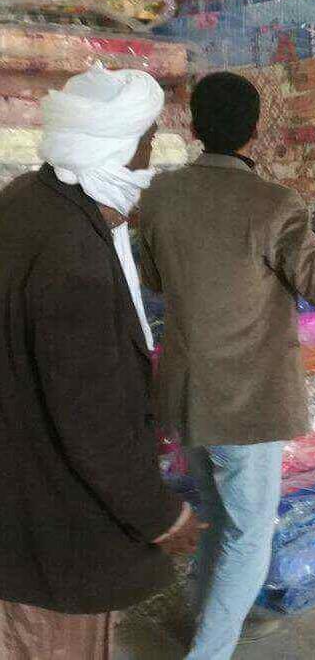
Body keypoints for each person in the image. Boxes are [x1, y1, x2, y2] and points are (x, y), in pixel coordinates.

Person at [137, 72, 315, 659]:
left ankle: (211, 616)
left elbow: (154, 280)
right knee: (248, 536)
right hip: (246, 402)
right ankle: (208, 650)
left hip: (186, 395)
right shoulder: (274, 204)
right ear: (255, 131)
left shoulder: (158, 196)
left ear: (194, 126)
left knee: (218, 518)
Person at [0, 63, 203, 659]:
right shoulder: (73, 254)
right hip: (58, 535)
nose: (151, 162)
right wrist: (160, 516)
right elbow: (92, 420)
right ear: (116, 150)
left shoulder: (25, 202)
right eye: (147, 145)